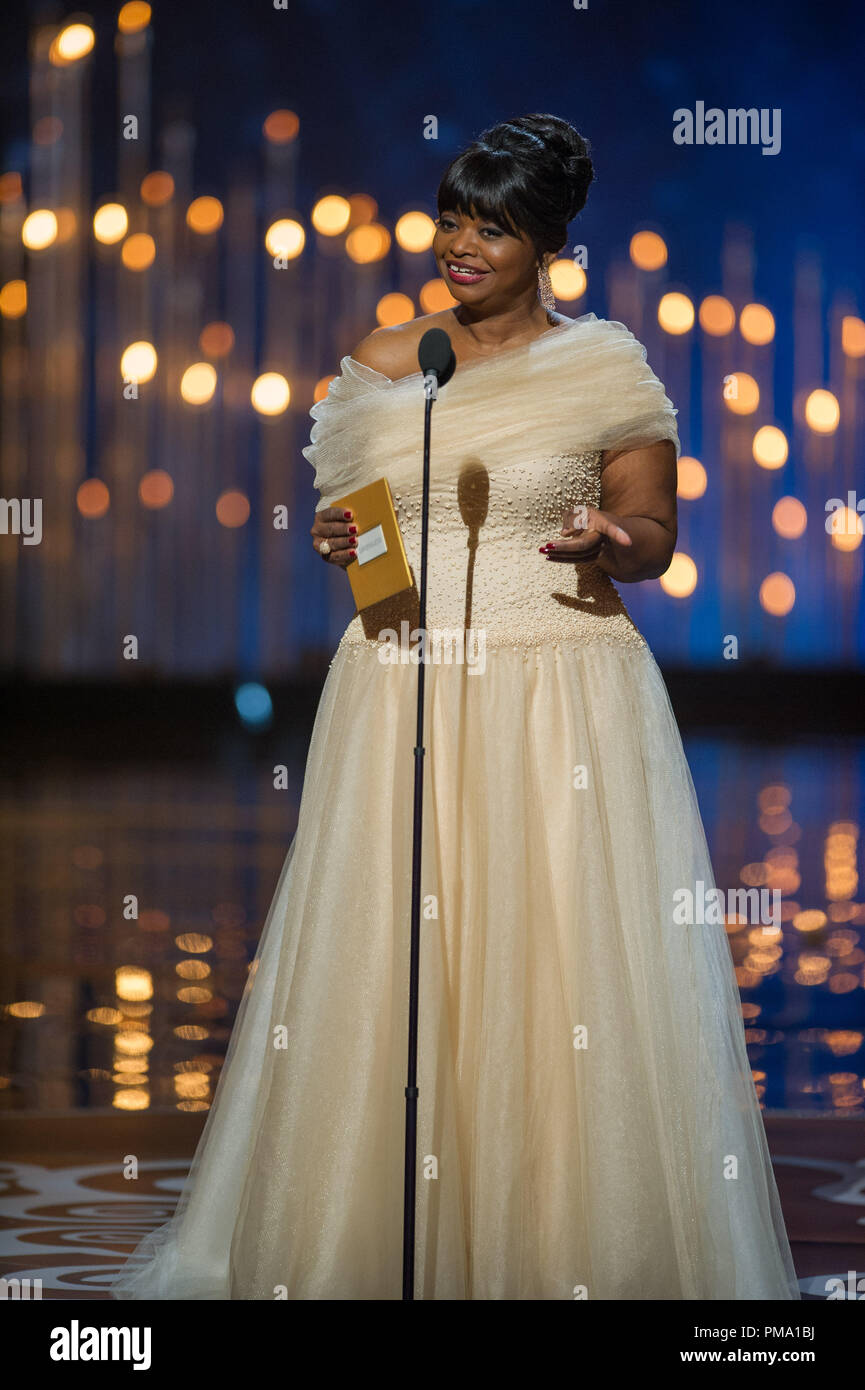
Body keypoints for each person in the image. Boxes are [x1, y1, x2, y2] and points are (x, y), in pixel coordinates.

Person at [111, 114, 799, 1300]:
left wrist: (609, 538)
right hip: (403, 684)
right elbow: (373, 540)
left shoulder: (604, 368)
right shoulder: (389, 361)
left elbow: (652, 541)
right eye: (451, 219)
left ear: (547, 241)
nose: (461, 245)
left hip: (561, 690)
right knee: (393, 955)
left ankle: (562, 1245)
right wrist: (347, 541)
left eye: (492, 225)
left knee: (559, 965)